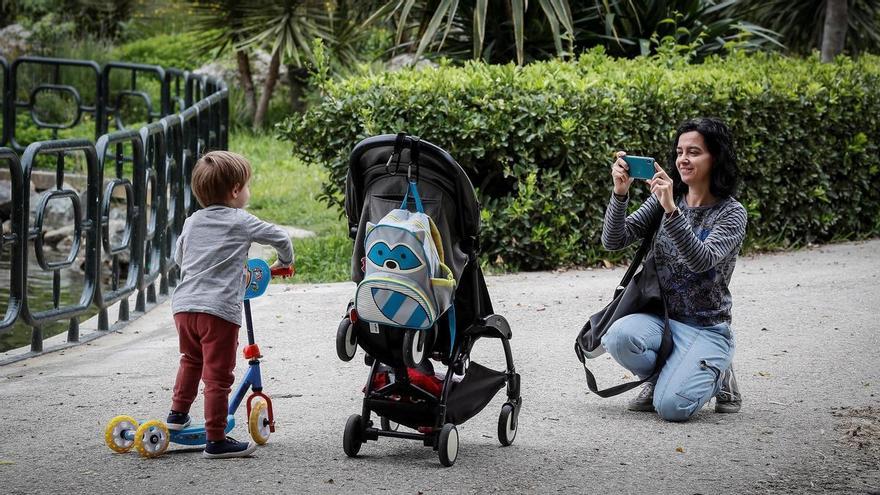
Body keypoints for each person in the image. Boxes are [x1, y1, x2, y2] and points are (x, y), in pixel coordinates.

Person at [600, 117, 746, 422]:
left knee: (671, 408)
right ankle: (665, 375)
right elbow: (614, 240)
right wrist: (620, 194)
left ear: (715, 157)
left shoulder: (731, 213)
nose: (683, 159)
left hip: (707, 327)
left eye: (694, 152)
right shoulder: (668, 199)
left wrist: (671, 210)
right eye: (680, 152)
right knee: (617, 337)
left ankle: (718, 374)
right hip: (663, 320)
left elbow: (701, 260)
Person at [167, 150, 294, 458]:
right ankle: (216, 439)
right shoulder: (241, 221)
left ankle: (177, 415)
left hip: (184, 307)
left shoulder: (192, 221)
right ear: (236, 190)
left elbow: (179, 258)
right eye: (247, 186)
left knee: (191, 360)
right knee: (218, 376)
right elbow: (280, 237)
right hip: (218, 311)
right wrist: (285, 261)